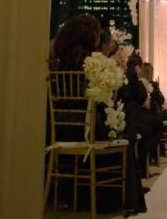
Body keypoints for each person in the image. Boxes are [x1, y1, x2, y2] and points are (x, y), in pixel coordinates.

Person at [48, 14, 147, 215]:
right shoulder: (96, 65)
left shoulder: (54, 67)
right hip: (89, 132)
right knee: (125, 131)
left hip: (57, 131)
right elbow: (107, 100)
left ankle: (66, 193)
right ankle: (119, 198)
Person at [141, 62, 167, 156]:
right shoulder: (153, 85)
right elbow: (161, 100)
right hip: (155, 112)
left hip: (146, 112)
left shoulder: (139, 83)